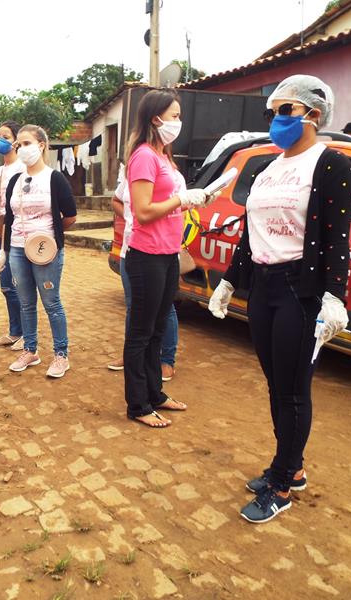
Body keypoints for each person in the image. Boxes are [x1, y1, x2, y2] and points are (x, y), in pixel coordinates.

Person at [208, 75, 351, 523]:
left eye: (286, 110)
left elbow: (336, 238)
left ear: (313, 113)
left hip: (298, 289)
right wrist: (231, 280)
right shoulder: (269, 167)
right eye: (273, 112)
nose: (277, 120)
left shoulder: (331, 165)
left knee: (291, 389)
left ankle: (283, 484)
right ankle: (289, 464)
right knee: (277, 383)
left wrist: (333, 296)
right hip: (265, 288)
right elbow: (253, 232)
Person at [122, 89, 212, 428]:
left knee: (158, 328)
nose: (179, 122)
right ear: (156, 118)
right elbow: (144, 211)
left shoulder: (164, 155)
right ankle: (138, 404)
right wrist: (180, 201)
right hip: (146, 256)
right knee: (141, 333)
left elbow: (168, 200)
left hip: (168, 253)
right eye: (174, 116)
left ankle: (155, 393)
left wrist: (192, 200)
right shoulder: (144, 156)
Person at [0, 124, 77, 378]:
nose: (21, 148)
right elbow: (9, 218)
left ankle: (61, 355)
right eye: (19, 144)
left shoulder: (54, 178)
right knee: (26, 303)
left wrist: (48, 236)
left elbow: (70, 216)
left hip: (45, 252)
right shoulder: (16, 181)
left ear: (41, 145)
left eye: (27, 143)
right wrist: (5, 251)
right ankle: (30, 350)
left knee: (52, 302)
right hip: (18, 249)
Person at [106, 173, 179, 380]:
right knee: (133, 306)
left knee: (165, 309)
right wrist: (130, 215)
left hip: (157, 252)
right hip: (130, 250)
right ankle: (133, 356)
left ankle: (166, 359)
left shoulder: (172, 176)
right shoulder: (131, 173)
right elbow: (116, 200)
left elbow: (177, 208)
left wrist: (145, 214)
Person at [0, 120, 25, 350]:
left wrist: (5, 241)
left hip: (14, 233)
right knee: (5, 286)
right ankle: (14, 332)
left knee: (18, 285)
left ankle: (26, 334)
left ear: (16, 142)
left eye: (6, 136)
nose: (1, 140)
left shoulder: (22, 168)